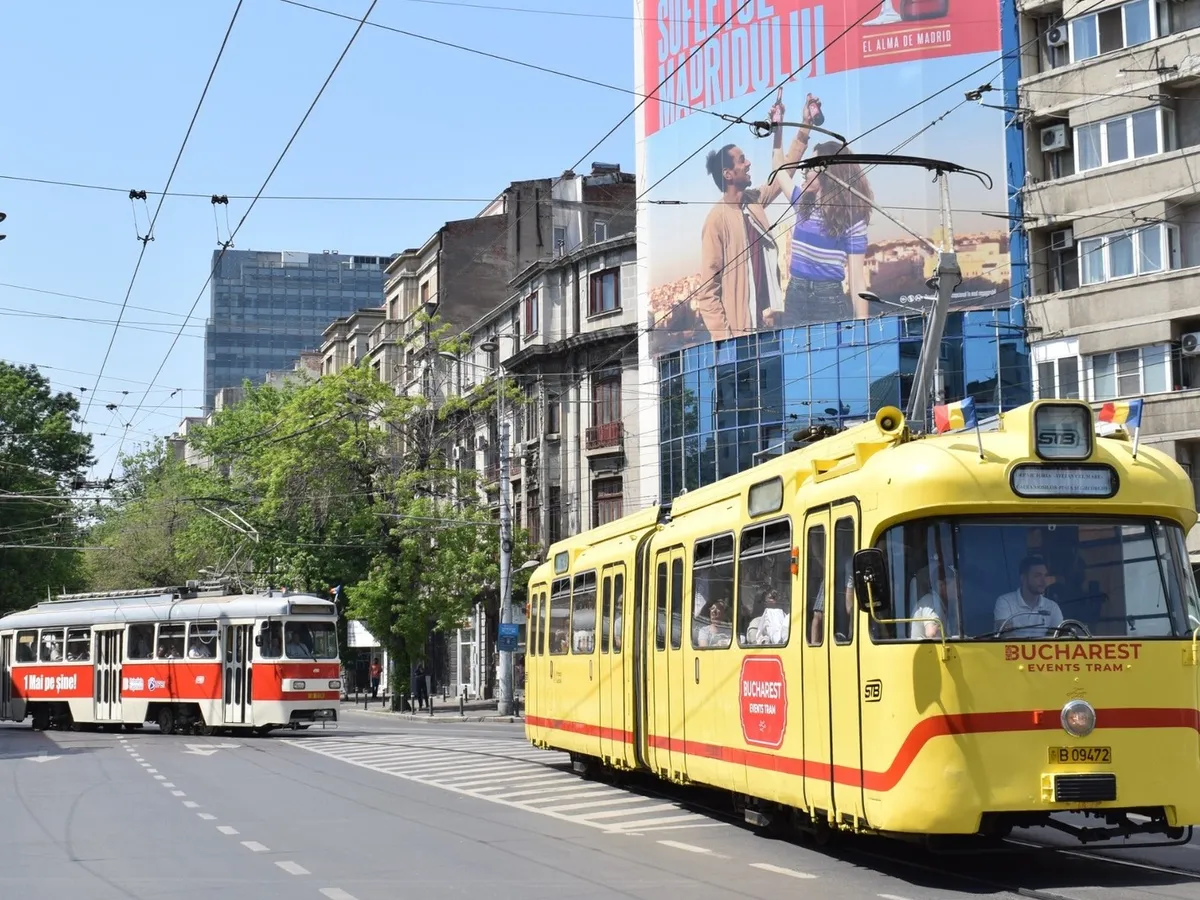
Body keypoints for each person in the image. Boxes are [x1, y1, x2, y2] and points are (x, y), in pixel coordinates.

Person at [693, 96, 812, 343]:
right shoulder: (716, 220)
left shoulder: (753, 200)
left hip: (770, 326)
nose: (748, 164)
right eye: (742, 160)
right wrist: (726, 340)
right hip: (741, 337)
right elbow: (707, 293)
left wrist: (803, 127)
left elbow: (783, 174)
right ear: (728, 174)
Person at [771, 107, 875, 325]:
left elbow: (857, 280)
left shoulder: (851, 216)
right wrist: (777, 129)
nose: (804, 170)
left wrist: (863, 328)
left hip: (828, 298)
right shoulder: (802, 202)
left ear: (827, 173)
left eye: (810, 167)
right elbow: (779, 169)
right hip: (796, 293)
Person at [993, 555, 1063, 637]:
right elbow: (1006, 637)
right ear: (1023, 578)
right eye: (1037, 576)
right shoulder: (1005, 602)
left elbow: (1057, 639)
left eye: (1045, 575)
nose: (1044, 581)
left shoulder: (1052, 607)